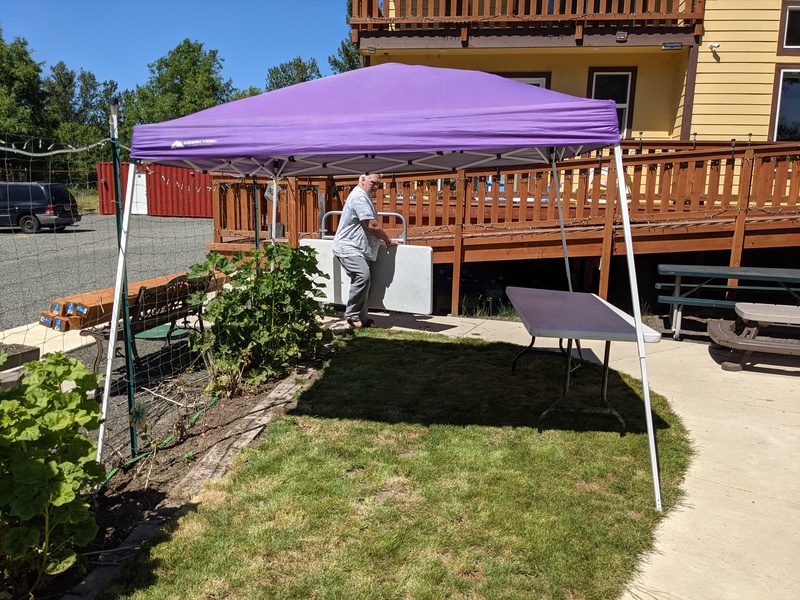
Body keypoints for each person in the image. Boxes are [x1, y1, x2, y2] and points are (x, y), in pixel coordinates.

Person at [332, 173, 399, 328]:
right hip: (348, 247)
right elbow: (371, 225)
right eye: (374, 183)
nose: (376, 187)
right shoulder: (359, 197)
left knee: (364, 281)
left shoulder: (363, 196)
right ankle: (352, 315)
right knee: (363, 276)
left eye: (379, 184)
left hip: (360, 248)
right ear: (362, 180)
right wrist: (387, 240)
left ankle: (362, 317)